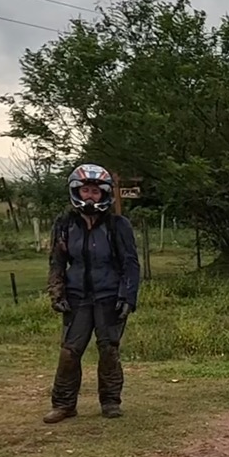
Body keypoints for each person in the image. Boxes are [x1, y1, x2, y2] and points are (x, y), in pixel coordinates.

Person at [44, 163, 141, 423]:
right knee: (70, 351)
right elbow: (57, 261)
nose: (90, 196)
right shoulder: (65, 224)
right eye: (85, 190)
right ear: (76, 191)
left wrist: (128, 297)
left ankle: (110, 401)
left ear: (104, 194)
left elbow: (130, 264)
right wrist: (56, 292)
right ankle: (63, 404)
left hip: (109, 296)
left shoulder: (118, 225)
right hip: (77, 297)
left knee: (108, 349)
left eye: (95, 192)